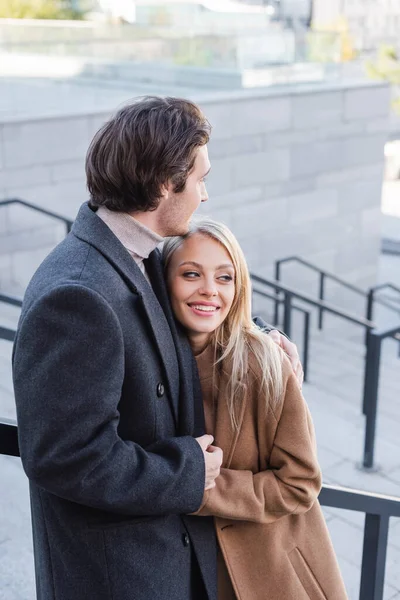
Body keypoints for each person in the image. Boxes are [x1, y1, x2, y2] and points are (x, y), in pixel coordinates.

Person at [12, 96, 302, 600]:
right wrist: (187, 471)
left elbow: (178, 298)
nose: (205, 196)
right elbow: (65, 457)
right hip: (119, 577)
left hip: (158, 561)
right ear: (166, 183)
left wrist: (258, 330)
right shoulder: (77, 296)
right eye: (200, 178)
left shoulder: (132, 254)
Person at [163, 218, 348, 600]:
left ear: (240, 285)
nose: (209, 290)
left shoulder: (265, 363)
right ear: (164, 282)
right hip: (186, 571)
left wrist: (200, 487)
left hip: (274, 575)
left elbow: (300, 484)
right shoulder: (152, 362)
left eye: (225, 277)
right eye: (191, 273)